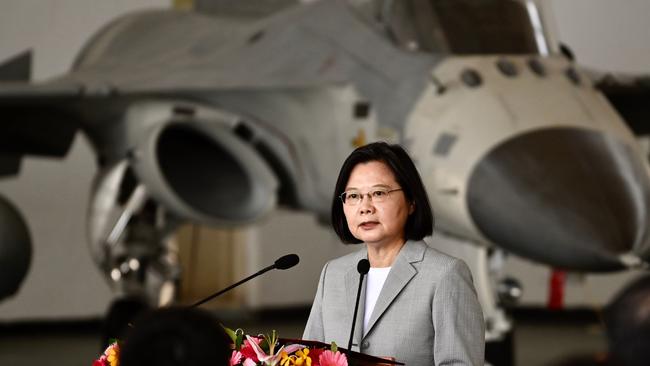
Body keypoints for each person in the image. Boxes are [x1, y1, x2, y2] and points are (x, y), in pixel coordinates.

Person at [303, 141, 485, 366]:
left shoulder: (445, 275)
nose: (365, 207)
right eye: (353, 196)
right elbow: (308, 357)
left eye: (378, 193)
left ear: (411, 202)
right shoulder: (333, 274)